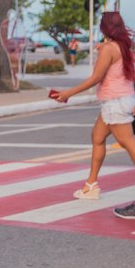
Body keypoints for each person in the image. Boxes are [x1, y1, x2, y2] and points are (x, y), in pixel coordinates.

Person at [54, 12, 135, 219]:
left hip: (115, 103)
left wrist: (68, 94)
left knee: (129, 145)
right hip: (118, 101)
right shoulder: (123, 47)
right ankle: (91, 185)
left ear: (105, 27)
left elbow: (96, 78)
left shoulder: (110, 48)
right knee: (97, 137)